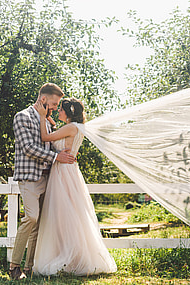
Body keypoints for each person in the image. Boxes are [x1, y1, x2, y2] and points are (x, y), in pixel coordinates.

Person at [32, 98, 117, 276]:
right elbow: (61, 137)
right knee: (69, 213)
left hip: (63, 172)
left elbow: (46, 138)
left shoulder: (71, 127)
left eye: (61, 110)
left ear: (69, 112)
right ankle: (72, 255)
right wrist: (51, 122)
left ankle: (70, 258)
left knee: (64, 214)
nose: (58, 112)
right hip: (68, 170)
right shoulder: (76, 127)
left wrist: (41, 117)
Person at [9, 83, 76, 280]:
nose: (56, 107)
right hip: (29, 177)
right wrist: (56, 157)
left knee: (39, 224)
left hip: (48, 177)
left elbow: (50, 143)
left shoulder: (45, 120)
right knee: (31, 218)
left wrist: (63, 154)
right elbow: (28, 148)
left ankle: (29, 268)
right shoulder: (22, 117)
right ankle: (14, 266)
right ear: (44, 99)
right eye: (54, 103)